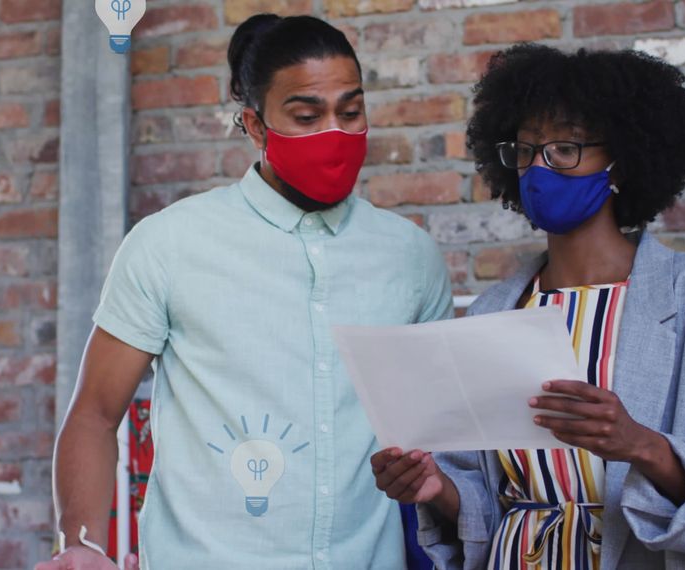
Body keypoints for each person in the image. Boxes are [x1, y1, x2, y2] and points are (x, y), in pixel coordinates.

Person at [36, 14, 453, 570]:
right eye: (307, 116)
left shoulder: (410, 257)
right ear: (255, 126)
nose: (335, 131)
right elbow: (93, 412)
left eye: (351, 112)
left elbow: (441, 432)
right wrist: (81, 545)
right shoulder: (170, 243)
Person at [371, 44, 685, 569]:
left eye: (564, 148)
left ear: (622, 158)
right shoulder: (494, 311)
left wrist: (642, 445)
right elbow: (480, 496)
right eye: (525, 150)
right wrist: (435, 489)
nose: (539, 168)